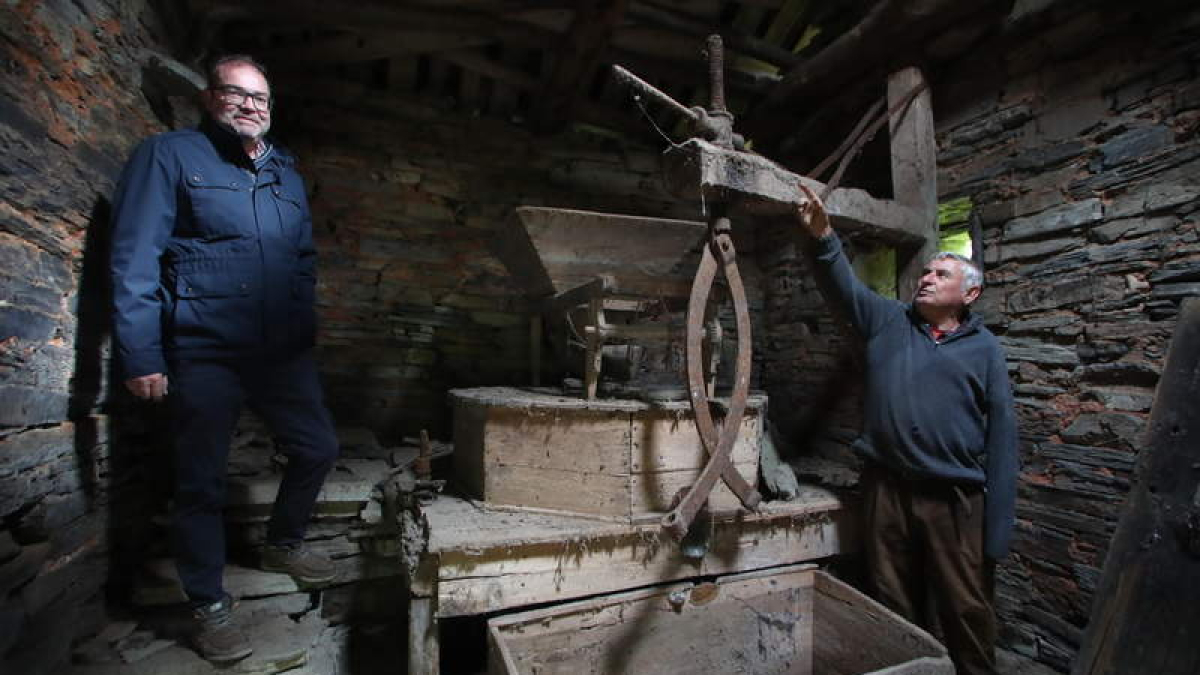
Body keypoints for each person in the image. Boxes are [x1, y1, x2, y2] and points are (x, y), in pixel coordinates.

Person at [110, 54, 339, 663]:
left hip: (280, 352)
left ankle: (283, 542)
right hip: (203, 347)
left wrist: (303, 327)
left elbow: (303, 260)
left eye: (260, 97)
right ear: (210, 98)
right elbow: (134, 258)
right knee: (201, 482)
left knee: (318, 447)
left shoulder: (285, 172)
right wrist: (140, 354)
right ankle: (209, 604)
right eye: (235, 93)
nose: (249, 105)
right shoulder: (169, 155)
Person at [794, 185, 1017, 675]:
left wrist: (997, 531)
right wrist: (824, 238)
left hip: (953, 499)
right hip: (887, 489)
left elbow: (1003, 438)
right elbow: (844, 288)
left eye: (942, 274)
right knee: (892, 601)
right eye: (927, 272)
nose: (927, 278)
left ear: (970, 294)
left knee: (966, 607)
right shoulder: (888, 321)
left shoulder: (985, 350)